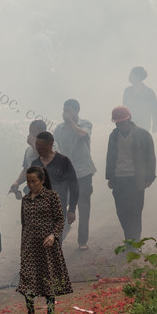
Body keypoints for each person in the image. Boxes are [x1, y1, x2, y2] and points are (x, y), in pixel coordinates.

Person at [17, 167, 73, 314]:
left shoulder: (51, 196)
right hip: (29, 246)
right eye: (29, 181)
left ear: (42, 180)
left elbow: (60, 219)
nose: (31, 184)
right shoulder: (25, 200)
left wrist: (53, 235)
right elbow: (24, 224)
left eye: (34, 181)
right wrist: (22, 247)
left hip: (47, 246)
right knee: (28, 279)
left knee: (48, 278)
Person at [105, 106, 157, 242]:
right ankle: (129, 238)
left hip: (136, 179)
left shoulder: (143, 135)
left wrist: (150, 177)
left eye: (122, 122)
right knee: (121, 212)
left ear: (129, 119)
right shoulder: (114, 135)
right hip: (119, 178)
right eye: (117, 123)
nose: (120, 125)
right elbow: (110, 156)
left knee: (135, 212)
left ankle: (135, 241)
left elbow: (150, 157)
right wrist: (110, 177)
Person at [53, 99, 96, 250]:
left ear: (77, 111)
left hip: (83, 171)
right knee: (62, 206)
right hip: (66, 173)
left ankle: (82, 240)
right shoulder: (59, 129)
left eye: (69, 110)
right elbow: (54, 148)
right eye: (64, 109)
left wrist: (71, 122)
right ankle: (58, 239)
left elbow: (82, 135)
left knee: (84, 207)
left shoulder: (86, 124)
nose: (65, 113)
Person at [30, 132, 79, 243]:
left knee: (55, 240)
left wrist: (72, 209)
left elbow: (74, 185)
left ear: (50, 144)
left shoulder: (63, 161)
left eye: (40, 145)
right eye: (36, 145)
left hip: (58, 209)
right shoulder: (35, 164)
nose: (37, 148)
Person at [9, 120, 48, 199]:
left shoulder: (52, 146)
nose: (30, 134)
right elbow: (26, 169)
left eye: (33, 132)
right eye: (30, 131)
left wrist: (33, 143)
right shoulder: (29, 150)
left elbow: (45, 161)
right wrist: (17, 182)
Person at [123, 67, 157, 133]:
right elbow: (124, 108)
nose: (129, 77)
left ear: (138, 76)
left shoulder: (149, 92)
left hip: (144, 124)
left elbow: (155, 109)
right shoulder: (127, 91)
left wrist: (156, 124)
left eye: (131, 75)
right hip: (130, 124)